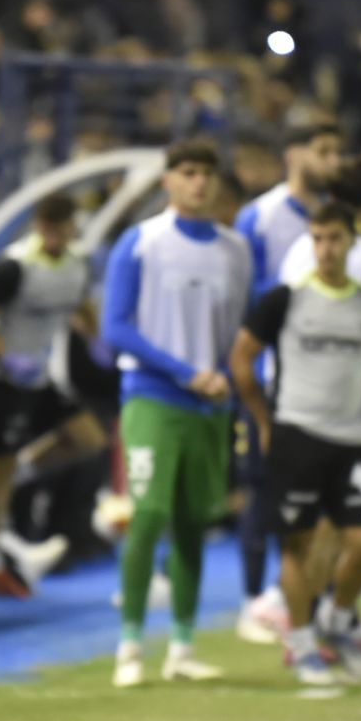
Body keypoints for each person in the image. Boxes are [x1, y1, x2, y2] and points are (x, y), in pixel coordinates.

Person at [104, 139, 252, 688]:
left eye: (207, 173)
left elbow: (241, 327)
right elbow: (115, 327)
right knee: (147, 515)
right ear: (167, 180)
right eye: (188, 172)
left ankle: (183, 647)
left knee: (194, 523)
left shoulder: (236, 250)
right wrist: (185, 372)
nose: (199, 182)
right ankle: (129, 646)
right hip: (153, 397)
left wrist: (227, 376)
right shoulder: (141, 243)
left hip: (211, 404)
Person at [231, 201, 361, 686]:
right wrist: (264, 420)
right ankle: (301, 645)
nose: (326, 249)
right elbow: (241, 359)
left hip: (353, 438)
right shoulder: (285, 299)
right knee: (297, 546)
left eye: (335, 238)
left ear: (352, 241)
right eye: (317, 239)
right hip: (297, 434)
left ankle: (337, 623)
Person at [231, 122, 344, 644]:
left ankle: (297, 598)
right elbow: (243, 296)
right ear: (294, 154)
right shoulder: (260, 217)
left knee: (317, 496)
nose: (333, 161)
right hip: (271, 376)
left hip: (320, 379)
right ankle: (253, 601)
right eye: (323, 151)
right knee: (261, 489)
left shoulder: (335, 219)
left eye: (338, 151)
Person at [0, 193, 106, 597]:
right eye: (48, 230)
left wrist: (96, 338)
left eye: (63, 230)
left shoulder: (77, 265)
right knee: (0, 469)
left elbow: (81, 304)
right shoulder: (13, 267)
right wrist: (5, 355)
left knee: (89, 439)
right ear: (39, 227)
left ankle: (20, 471)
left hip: (40, 374)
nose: (55, 237)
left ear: (72, 228)